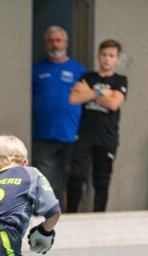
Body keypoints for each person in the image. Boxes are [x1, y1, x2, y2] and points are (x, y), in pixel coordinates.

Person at [67, 39, 128, 212]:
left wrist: (89, 92)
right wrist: (101, 92)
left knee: (101, 181)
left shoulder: (120, 80)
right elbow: (74, 98)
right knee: (76, 175)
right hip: (85, 136)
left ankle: (100, 216)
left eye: (111, 56)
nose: (107, 59)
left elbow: (114, 104)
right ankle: (71, 213)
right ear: (98, 56)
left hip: (107, 138)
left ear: (117, 59)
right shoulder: (87, 77)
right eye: (104, 55)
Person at [32, 25, 86, 210]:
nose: (55, 44)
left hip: (73, 136)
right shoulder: (36, 70)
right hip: (44, 136)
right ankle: (54, 217)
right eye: (51, 41)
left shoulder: (79, 70)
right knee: (47, 184)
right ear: (45, 44)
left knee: (74, 180)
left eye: (58, 40)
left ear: (66, 43)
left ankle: (74, 217)